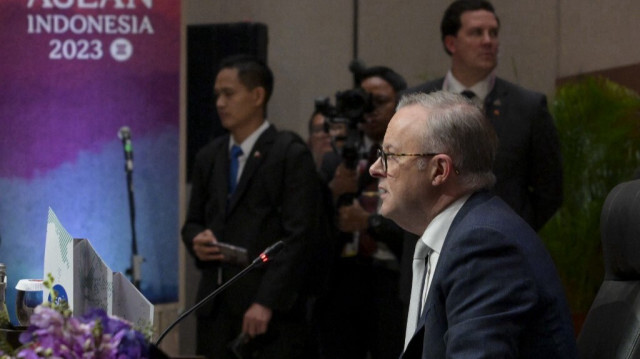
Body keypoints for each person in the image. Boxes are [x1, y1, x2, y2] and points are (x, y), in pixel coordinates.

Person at [370, 90, 578, 358]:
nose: (375, 168)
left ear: (439, 170)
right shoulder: (463, 233)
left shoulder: (484, 246)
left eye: (392, 156)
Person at [182, 55, 323, 359]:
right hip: (215, 308)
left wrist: (266, 301)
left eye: (228, 94)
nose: (220, 103)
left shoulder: (288, 152)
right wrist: (197, 241)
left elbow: (299, 236)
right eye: (217, 95)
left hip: (267, 314)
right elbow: (192, 223)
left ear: (258, 95)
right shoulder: (209, 156)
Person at [405, 0, 563, 232]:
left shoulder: (528, 107)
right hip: (425, 248)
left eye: (493, 33)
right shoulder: (415, 103)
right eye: (476, 33)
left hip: (501, 249)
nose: (488, 41)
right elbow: (397, 180)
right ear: (451, 43)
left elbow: (550, 191)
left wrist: (514, 230)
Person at [315, 66, 408, 359]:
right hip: (340, 285)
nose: (369, 110)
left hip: (393, 283)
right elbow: (308, 227)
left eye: (378, 101)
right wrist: (331, 194)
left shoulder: (412, 159)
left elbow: (421, 229)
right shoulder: (335, 161)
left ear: (399, 103)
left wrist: (370, 222)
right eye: (362, 101)